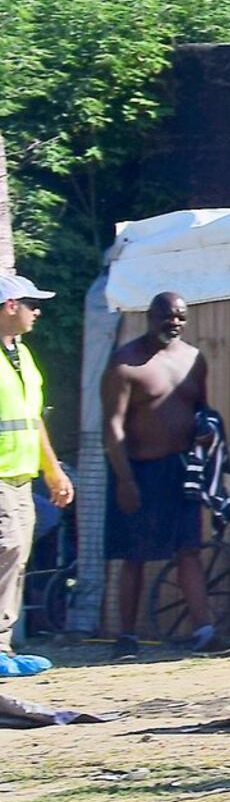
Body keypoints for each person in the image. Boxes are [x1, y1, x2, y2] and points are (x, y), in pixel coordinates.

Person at [100, 289, 216, 653]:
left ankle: (204, 632)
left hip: (181, 469)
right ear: (151, 316)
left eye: (181, 317)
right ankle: (127, 635)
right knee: (133, 554)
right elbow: (113, 427)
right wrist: (125, 480)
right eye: (168, 316)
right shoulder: (125, 363)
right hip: (138, 469)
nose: (175, 323)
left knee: (188, 550)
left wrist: (207, 430)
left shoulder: (194, 360)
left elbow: (202, 410)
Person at [0, 273, 77, 680]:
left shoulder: (23, 356)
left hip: (20, 479)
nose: (38, 311)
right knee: (7, 552)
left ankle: (3, 647)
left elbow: (31, 421)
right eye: (31, 303)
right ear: (11, 306)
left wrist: (53, 471)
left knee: (16, 559)